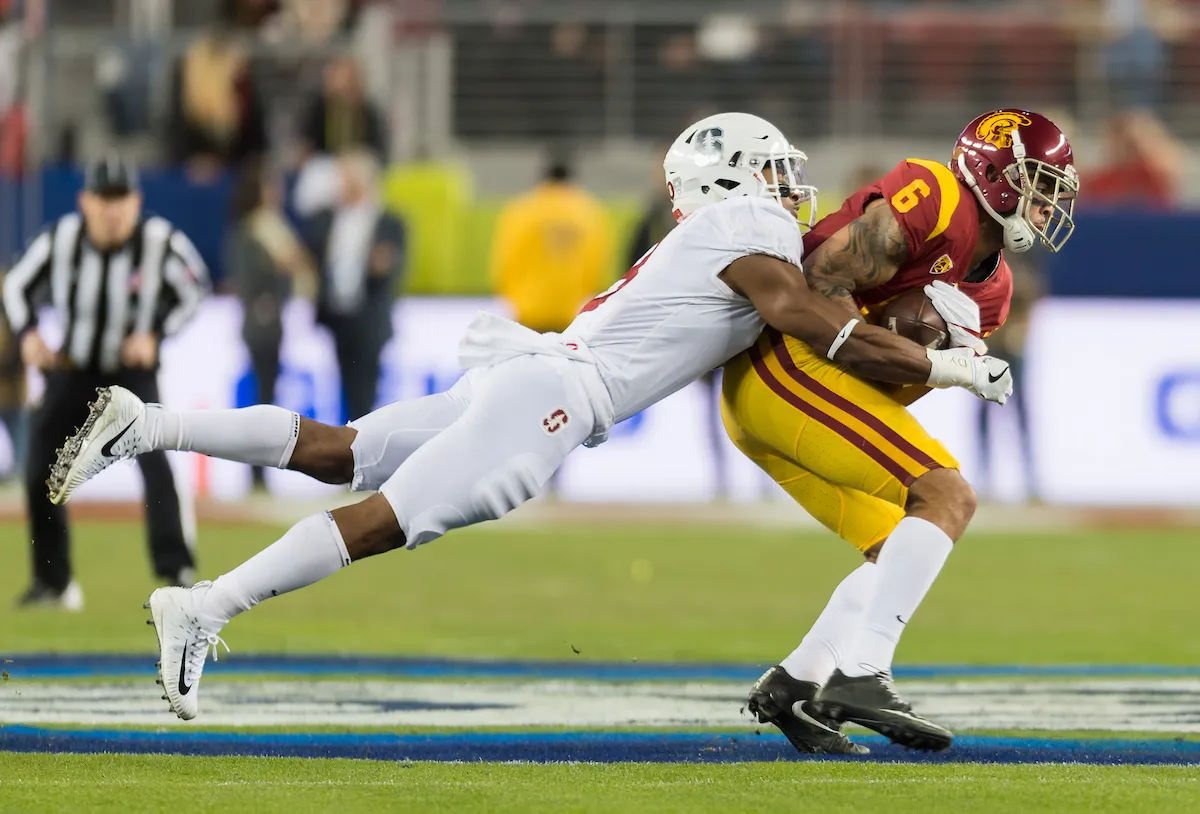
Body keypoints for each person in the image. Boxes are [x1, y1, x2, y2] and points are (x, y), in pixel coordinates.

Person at [49, 113, 1013, 721]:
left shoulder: (718, 227)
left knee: (343, 452)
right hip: (557, 398)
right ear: (734, 176)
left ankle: (148, 425)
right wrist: (942, 363)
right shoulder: (744, 224)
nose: (791, 189)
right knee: (384, 518)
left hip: (536, 372)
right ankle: (204, 608)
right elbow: (803, 314)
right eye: (774, 170)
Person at [725, 110, 1077, 753]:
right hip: (787, 360)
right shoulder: (938, 197)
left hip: (802, 391)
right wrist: (923, 350)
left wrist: (926, 351)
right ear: (994, 174)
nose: (1048, 205)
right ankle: (864, 674)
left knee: (903, 547)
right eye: (1039, 184)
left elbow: (886, 386)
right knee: (947, 495)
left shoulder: (995, 292)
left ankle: (796, 682)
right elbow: (821, 281)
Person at [3, 155, 209, 609]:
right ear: (85, 202)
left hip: (132, 374)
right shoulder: (61, 239)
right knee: (41, 468)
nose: (112, 210)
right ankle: (53, 582)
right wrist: (29, 334)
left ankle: (177, 570)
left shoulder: (160, 242)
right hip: (74, 369)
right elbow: (15, 285)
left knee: (156, 466)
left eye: (121, 199)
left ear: (136, 202)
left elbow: (195, 288)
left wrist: (155, 333)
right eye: (104, 198)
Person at [489, 156, 613, 496]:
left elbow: (504, 262)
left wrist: (516, 297)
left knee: (523, 394)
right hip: (568, 318)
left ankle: (520, 471)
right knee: (563, 399)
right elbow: (596, 267)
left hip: (528, 316)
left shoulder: (522, 210)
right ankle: (555, 473)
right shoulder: (589, 211)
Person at [225, 159, 316, 489]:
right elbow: (254, 279)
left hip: (272, 321)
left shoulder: (270, 226)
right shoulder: (252, 230)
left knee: (267, 395)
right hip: (260, 324)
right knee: (263, 398)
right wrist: (282, 274)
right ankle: (256, 472)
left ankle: (260, 471)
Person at [305, 149, 406, 423]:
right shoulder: (328, 219)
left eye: (345, 178)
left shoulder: (389, 222)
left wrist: (380, 266)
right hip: (338, 317)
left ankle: (364, 442)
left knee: (365, 392)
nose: (339, 184)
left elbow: (392, 267)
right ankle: (349, 440)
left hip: (369, 318)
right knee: (344, 388)